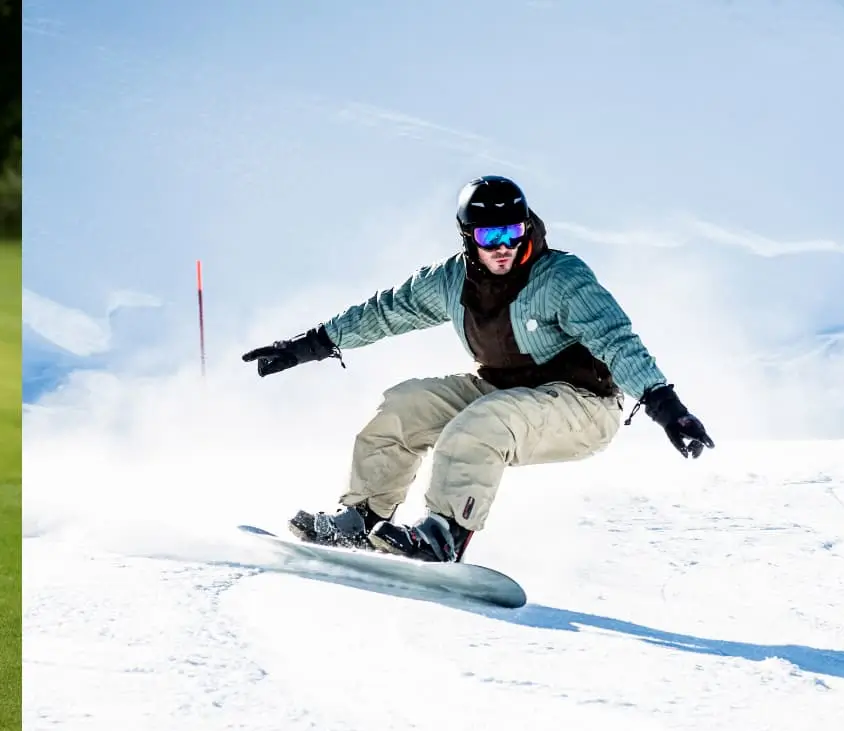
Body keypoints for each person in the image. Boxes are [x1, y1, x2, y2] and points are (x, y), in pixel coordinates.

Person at [241, 175, 714, 564]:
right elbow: (387, 310)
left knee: (479, 427)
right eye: (491, 236)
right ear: (469, 237)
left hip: (581, 405)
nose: (504, 246)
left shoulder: (561, 277)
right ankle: (363, 518)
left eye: (514, 232)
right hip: (499, 389)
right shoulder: (452, 281)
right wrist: (310, 345)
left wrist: (667, 408)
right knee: (405, 406)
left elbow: (616, 340)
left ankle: (443, 535)